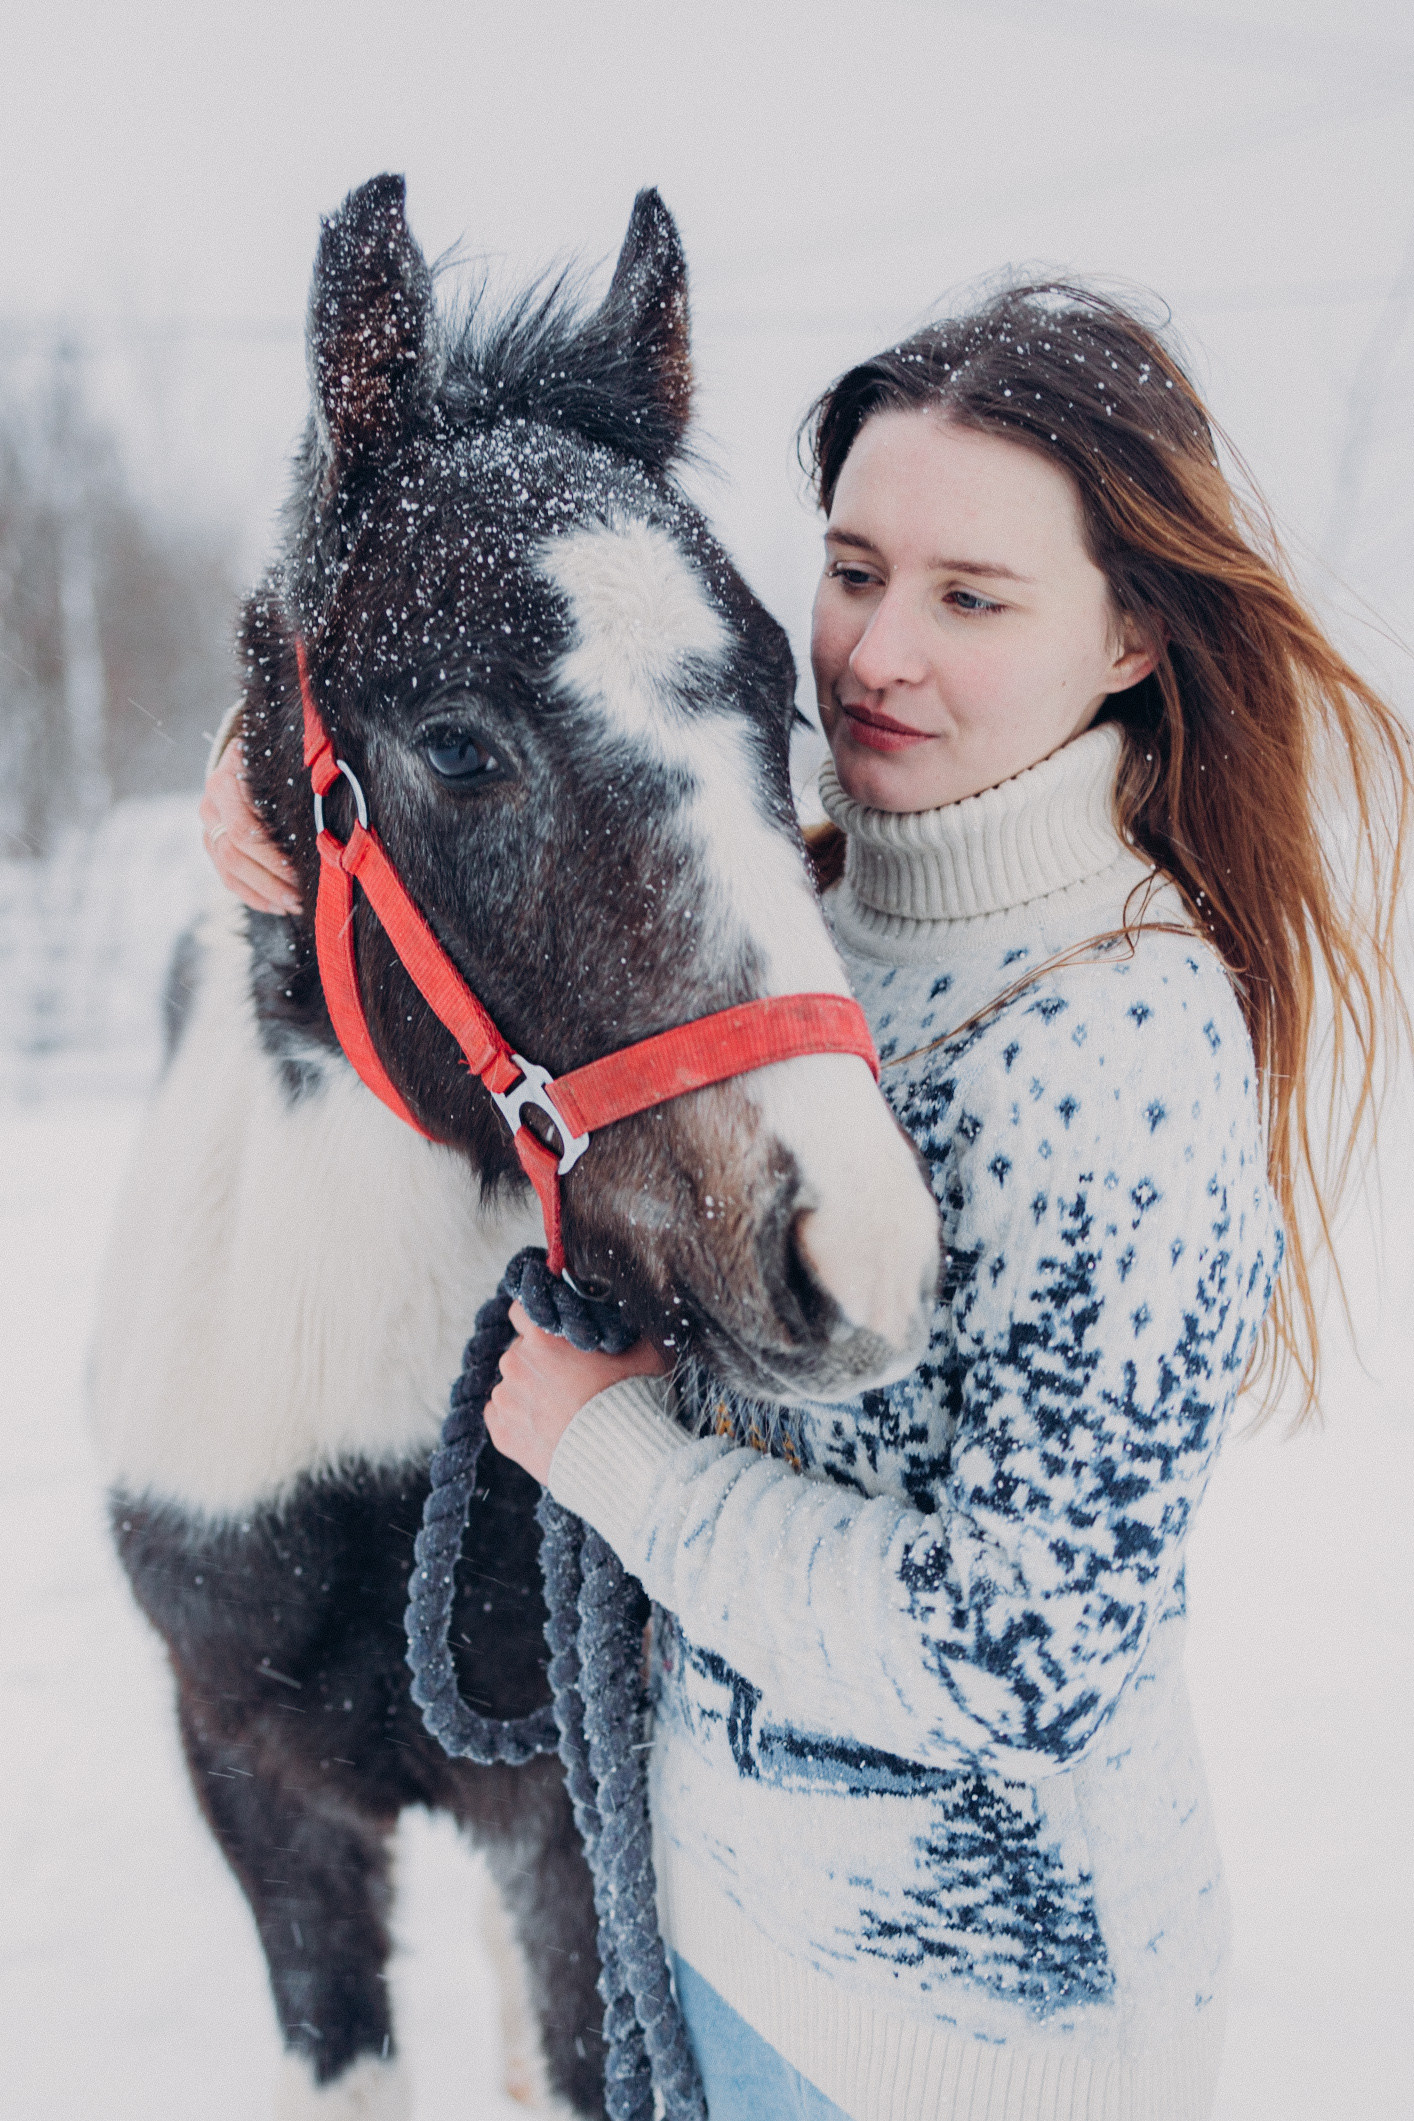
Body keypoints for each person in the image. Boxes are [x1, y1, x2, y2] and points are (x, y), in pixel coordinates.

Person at [203, 283, 1410, 2120]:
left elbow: (1016, 1653)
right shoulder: (817, 915)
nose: (874, 656)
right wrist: (272, 781)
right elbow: (527, 853)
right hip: (718, 1948)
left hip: (958, 2053)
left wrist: (620, 1457)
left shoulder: (1130, 1045)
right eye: (851, 570)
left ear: (1131, 637)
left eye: (972, 597)